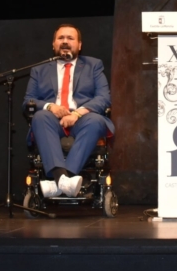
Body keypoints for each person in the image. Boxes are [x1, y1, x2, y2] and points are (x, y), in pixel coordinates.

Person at [22, 23, 114, 197]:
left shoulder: (93, 65)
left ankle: (59, 182)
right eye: (60, 38)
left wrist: (77, 113)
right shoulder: (39, 70)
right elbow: (28, 102)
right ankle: (65, 181)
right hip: (51, 120)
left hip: (83, 119)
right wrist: (50, 106)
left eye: (70, 38)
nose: (65, 41)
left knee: (96, 121)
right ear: (53, 44)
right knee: (40, 116)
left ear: (79, 45)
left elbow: (103, 98)